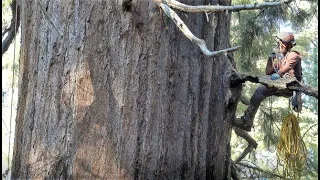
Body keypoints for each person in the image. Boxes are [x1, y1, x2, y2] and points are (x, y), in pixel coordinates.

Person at [233, 32, 302, 132]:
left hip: (290, 87)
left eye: (280, 44)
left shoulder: (294, 55)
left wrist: (279, 74)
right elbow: (268, 73)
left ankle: (246, 121)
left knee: (260, 91)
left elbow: (287, 67)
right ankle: (247, 121)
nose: (279, 46)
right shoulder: (279, 58)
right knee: (260, 92)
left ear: (285, 44)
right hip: (280, 84)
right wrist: (270, 59)